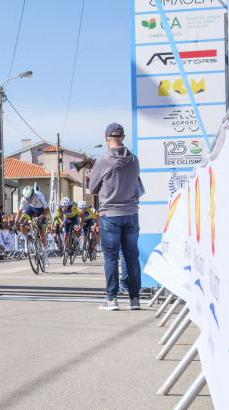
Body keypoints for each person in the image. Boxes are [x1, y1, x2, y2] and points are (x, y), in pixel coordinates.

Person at [88, 123, 143, 311]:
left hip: (110, 214)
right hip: (131, 214)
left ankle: (112, 299)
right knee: (132, 257)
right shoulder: (134, 160)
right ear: (123, 138)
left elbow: (92, 188)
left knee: (111, 258)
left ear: (106, 139)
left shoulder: (102, 161)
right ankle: (134, 299)